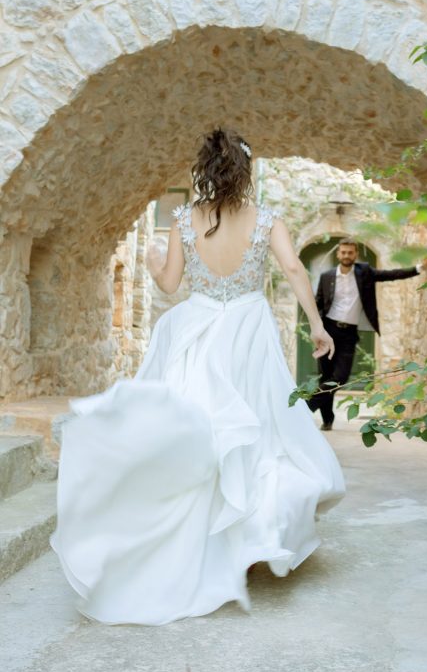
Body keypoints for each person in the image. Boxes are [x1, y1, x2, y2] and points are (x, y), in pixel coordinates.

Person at [50, 128, 345, 626]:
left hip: (197, 329)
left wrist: (151, 261)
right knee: (257, 432)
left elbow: (169, 284)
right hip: (248, 331)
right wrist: (316, 326)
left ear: (205, 169)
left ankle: (194, 539)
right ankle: (246, 541)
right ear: (247, 171)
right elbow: (295, 269)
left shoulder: (184, 219)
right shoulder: (268, 219)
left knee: (199, 432)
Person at [307, 239, 421, 430]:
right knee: (325, 377)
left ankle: (305, 407)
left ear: (356, 254)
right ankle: (328, 420)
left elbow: (390, 275)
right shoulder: (327, 276)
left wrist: (417, 269)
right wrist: (317, 330)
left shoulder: (364, 272)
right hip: (328, 330)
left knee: (340, 377)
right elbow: (318, 303)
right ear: (338, 254)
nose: (346, 256)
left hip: (349, 333)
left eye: (350, 252)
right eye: (343, 252)